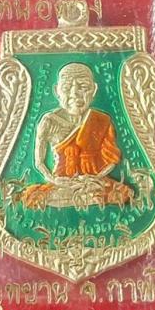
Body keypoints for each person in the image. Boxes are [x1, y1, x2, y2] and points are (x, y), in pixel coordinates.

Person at [18, 63, 134, 210]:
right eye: (67, 87)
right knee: (37, 197)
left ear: (94, 90)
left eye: (83, 87)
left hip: (93, 182)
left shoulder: (101, 120)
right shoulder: (49, 121)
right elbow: (39, 162)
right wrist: (54, 180)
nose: (75, 93)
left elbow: (111, 159)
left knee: (120, 194)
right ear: (56, 91)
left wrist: (95, 178)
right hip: (61, 183)